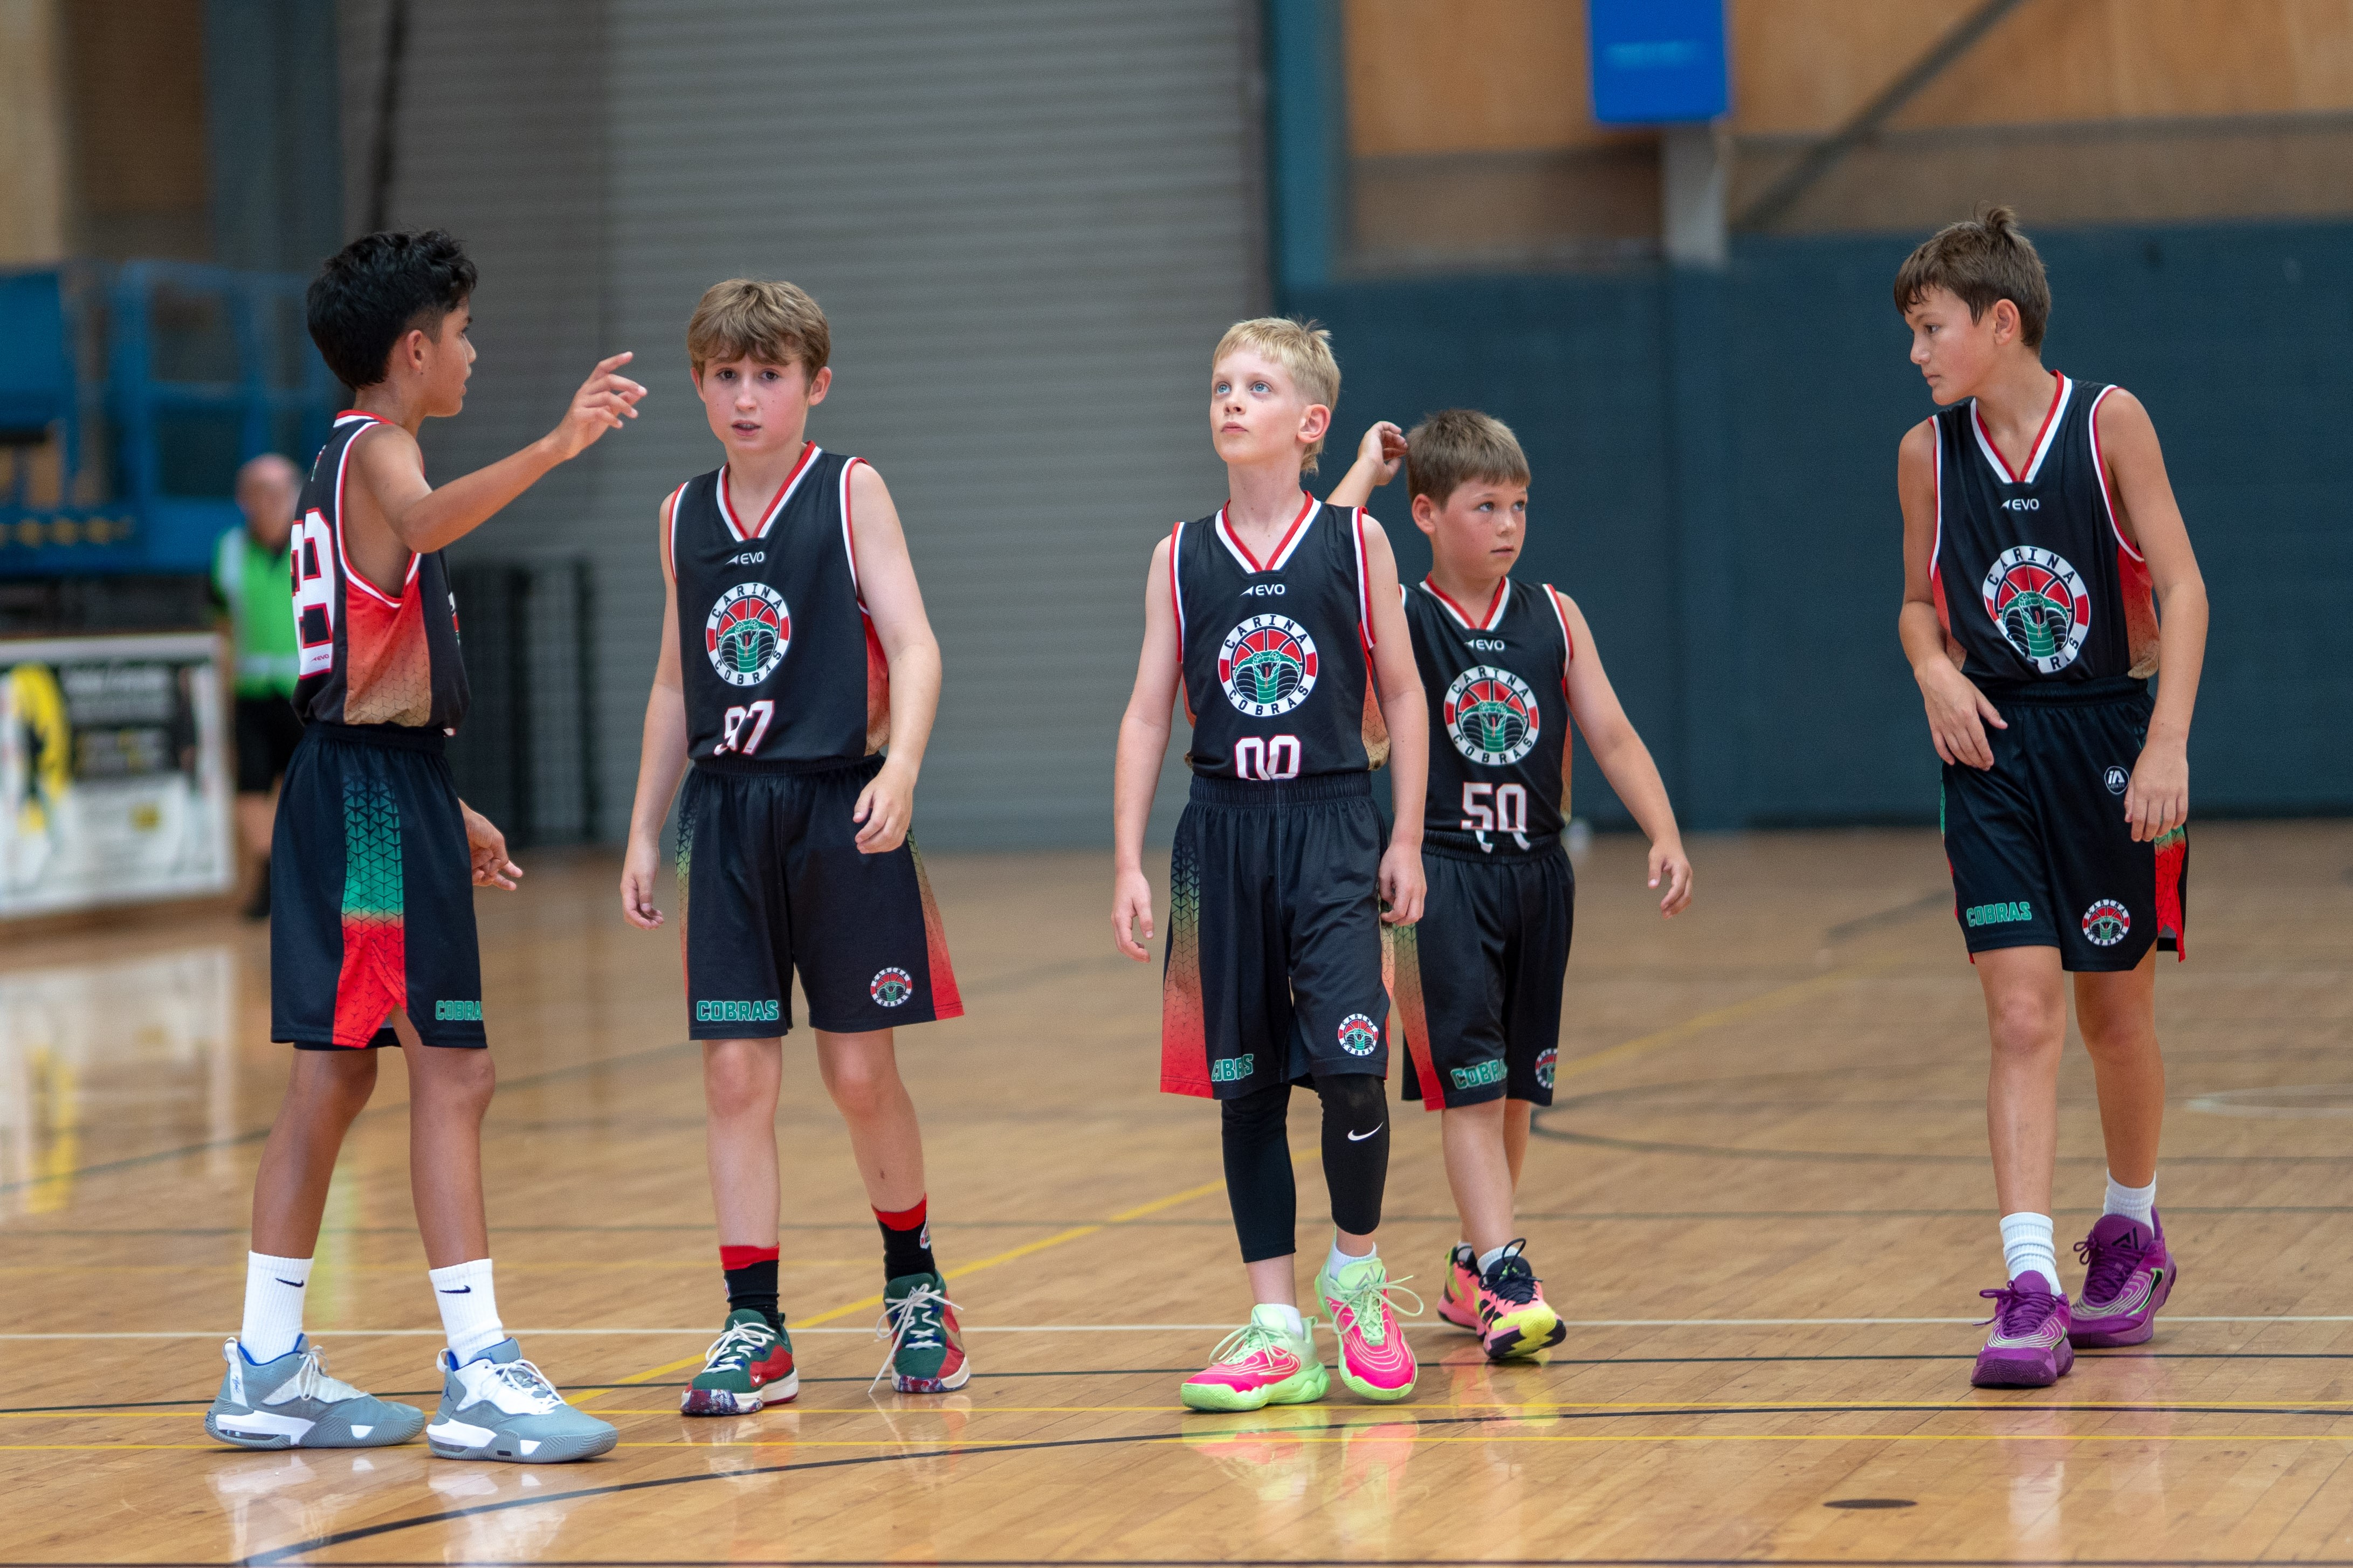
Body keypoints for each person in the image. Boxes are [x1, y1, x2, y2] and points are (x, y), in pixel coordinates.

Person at [205, 229, 646, 1460]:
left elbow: (366, 669)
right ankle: (479, 1367)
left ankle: (267, 1364)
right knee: (453, 1072)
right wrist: (557, 443)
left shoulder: (338, 456)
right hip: (364, 794)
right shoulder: (381, 451)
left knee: (337, 1076)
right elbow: (426, 515)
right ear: (413, 349)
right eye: (461, 332)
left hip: (367, 780)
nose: (471, 351)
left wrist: (442, 803)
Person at [620, 279, 967, 1413]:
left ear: (815, 385)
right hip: (725, 816)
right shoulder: (682, 514)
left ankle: (916, 1286)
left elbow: (914, 645)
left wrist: (901, 767)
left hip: (838, 805)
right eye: (726, 374)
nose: (746, 396)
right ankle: (754, 1322)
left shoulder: (850, 490)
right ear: (698, 384)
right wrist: (641, 828)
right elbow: (674, 681)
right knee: (735, 1072)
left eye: (768, 375)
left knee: (859, 1071)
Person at [1893, 208, 2205, 1388]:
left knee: (2112, 1016)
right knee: (2019, 1016)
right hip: (1992, 752)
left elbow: (2182, 589)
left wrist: (2167, 742)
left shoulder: (2108, 421)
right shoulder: (1926, 454)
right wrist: (1931, 668)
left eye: (1930, 328)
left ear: (1999, 322)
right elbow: (1916, 602)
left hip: (2113, 738)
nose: (1916, 352)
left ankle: (2129, 1226)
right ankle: (2028, 1285)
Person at [1111, 317, 1429, 1413]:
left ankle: (1357, 1280)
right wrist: (1127, 858)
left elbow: (1403, 695)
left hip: (1333, 826)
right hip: (1220, 836)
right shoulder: (1178, 553)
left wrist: (1403, 834)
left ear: (1309, 423)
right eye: (1219, 385)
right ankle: (1277, 1327)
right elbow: (1146, 713)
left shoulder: (1353, 540)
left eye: (1254, 386)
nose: (1230, 401)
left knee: (1351, 1067)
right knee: (1242, 1088)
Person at [1327, 409, 1692, 1362]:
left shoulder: (1555, 615)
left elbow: (1611, 733)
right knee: (1473, 1092)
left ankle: (1470, 1268)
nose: (1507, 524)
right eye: (1484, 505)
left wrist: (1662, 827)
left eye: (1519, 505)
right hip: (1441, 876)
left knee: (1518, 1087)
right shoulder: (1402, 615)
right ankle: (1503, 1272)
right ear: (1425, 513)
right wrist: (1364, 472)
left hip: (1537, 873)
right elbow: (1323, 560)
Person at [213, 453, 304, 918]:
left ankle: (305, 879)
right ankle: (269, 876)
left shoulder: (314, 544)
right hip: (251, 693)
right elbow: (222, 623)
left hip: (307, 692)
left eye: (278, 490)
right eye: (259, 492)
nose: (269, 501)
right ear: (242, 498)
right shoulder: (229, 549)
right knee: (250, 789)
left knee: (304, 788)